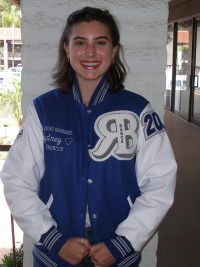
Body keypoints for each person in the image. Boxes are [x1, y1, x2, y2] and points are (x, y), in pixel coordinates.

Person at [0, 6, 177, 267]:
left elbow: (161, 182)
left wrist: (124, 243)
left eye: (101, 42)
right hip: (55, 252)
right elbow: (16, 180)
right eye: (80, 42)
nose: (90, 52)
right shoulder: (43, 110)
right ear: (66, 48)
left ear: (114, 51)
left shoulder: (138, 110)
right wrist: (53, 239)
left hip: (117, 251)